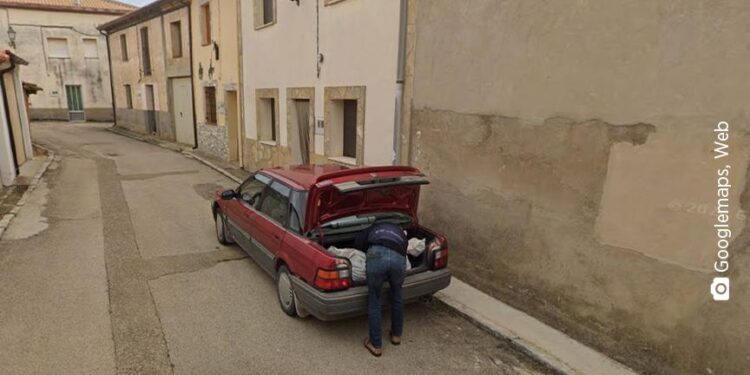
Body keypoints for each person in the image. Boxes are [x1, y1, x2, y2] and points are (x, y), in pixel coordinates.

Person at [356, 222, 408, 357]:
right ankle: (396, 335)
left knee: (375, 300)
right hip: (398, 257)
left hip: (376, 254)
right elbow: (405, 248)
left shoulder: (373, 228)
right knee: (397, 294)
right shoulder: (400, 232)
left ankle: (376, 344)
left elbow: (359, 243)